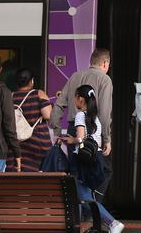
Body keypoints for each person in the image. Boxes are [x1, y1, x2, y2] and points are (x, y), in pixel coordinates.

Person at [59, 85, 125, 233]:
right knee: (82, 195)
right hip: (96, 161)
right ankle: (77, 225)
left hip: (82, 163)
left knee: (84, 196)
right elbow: (98, 143)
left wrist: (72, 140)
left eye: (75, 97)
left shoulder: (80, 115)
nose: (74, 100)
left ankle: (112, 222)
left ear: (80, 99)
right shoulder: (96, 119)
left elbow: (81, 138)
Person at [50, 48, 113, 202]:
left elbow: (58, 104)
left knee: (77, 172)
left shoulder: (75, 76)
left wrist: (57, 130)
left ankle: (79, 213)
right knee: (103, 170)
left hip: (73, 130)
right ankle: (93, 210)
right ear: (105, 63)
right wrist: (107, 139)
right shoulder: (105, 80)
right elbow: (104, 113)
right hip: (93, 131)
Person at [5, 68, 53, 172]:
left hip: (16, 144)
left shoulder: (10, 96)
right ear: (32, 81)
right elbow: (48, 115)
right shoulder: (38, 93)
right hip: (37, 144)